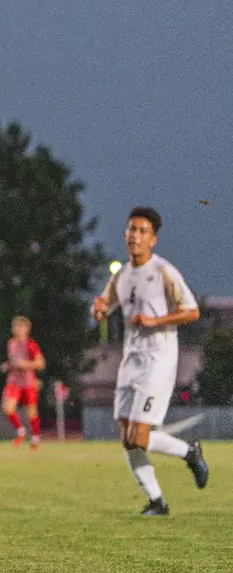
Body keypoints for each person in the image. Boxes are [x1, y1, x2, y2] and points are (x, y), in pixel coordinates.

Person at [90, 206, 209, 515]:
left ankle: (188, 451)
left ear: (153, 239)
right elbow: (107, 304)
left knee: (139, 437)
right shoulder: (122, 275)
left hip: (158, 361)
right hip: (131, 362)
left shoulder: (163, 271)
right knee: (127, 438)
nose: (135, 235)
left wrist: (157, 321)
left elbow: (192, 311)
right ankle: (157, 501)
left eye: (142, 231)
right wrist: (100, 308)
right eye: (131, 229)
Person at [0, 315, 46, 449]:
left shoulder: (31, 345)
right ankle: (20, 431)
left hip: (27, 382)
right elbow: (13, 362)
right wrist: (7, 365)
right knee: (8, 408)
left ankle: (35, 439)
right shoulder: (11, 343)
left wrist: (25, 364)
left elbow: (41, 363)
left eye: (20, 327)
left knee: (31, 412)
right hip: (14, 381)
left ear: (27, 329)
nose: (17, 329)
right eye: (15, 327)